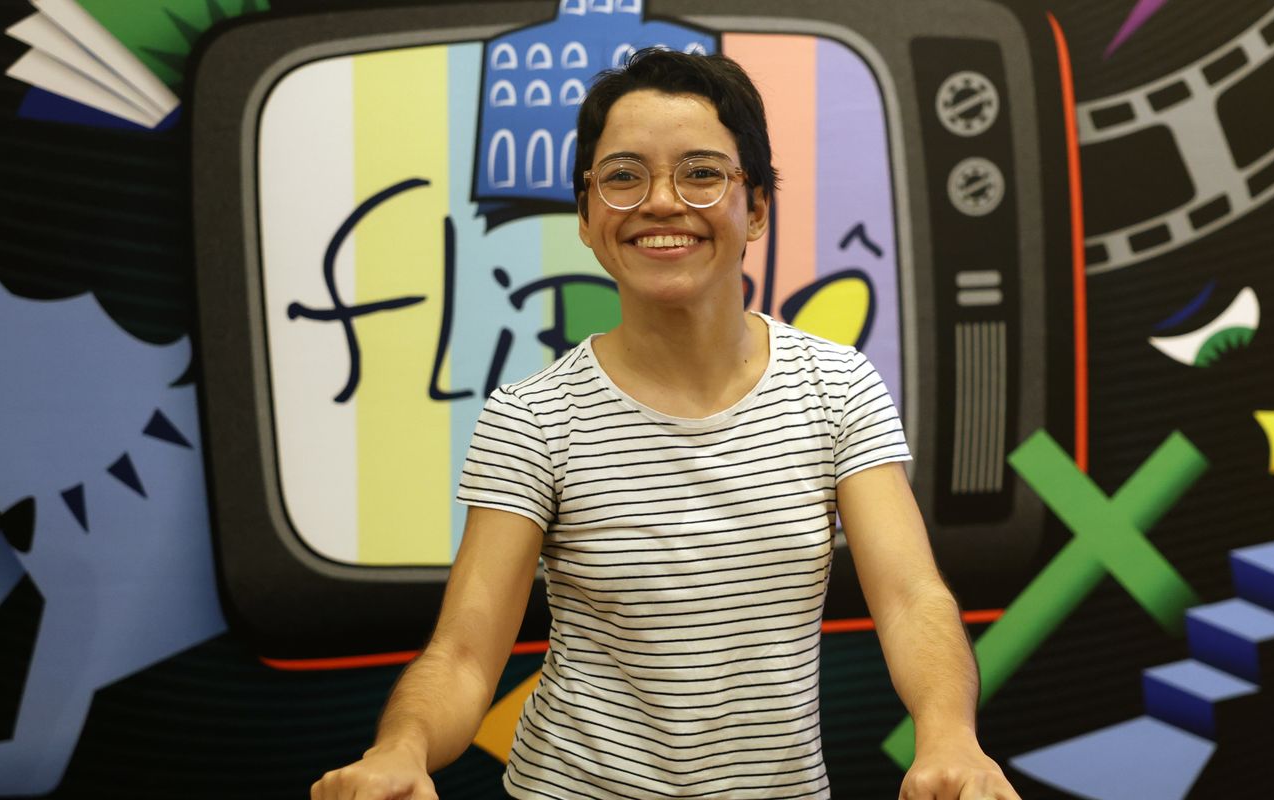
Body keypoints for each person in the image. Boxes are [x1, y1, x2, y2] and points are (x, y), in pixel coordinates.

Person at [312, 48, 1020, 800]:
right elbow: (462, 653)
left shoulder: (836, 386)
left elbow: (911, 597)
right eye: (623, 176)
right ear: (586, 217)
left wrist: (949, 737)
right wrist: (402, 749)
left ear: (757, 208)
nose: (660, 202)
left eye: (701, 173)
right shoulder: (531, 417)